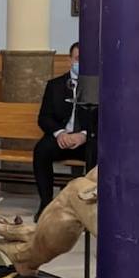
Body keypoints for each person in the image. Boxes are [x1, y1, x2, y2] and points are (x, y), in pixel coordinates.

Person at [33, 43, 86, 217]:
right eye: (78, 59)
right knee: (41, 151)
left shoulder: (97, 86)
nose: (81, 63)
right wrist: (60, 133)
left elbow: (102, 119)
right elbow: (44, 117)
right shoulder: (55, 85)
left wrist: (83, 135)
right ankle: (46, 205)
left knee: (101, 152)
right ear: (70, 60)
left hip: (85, 140)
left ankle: (89, 208)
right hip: (61, 138)